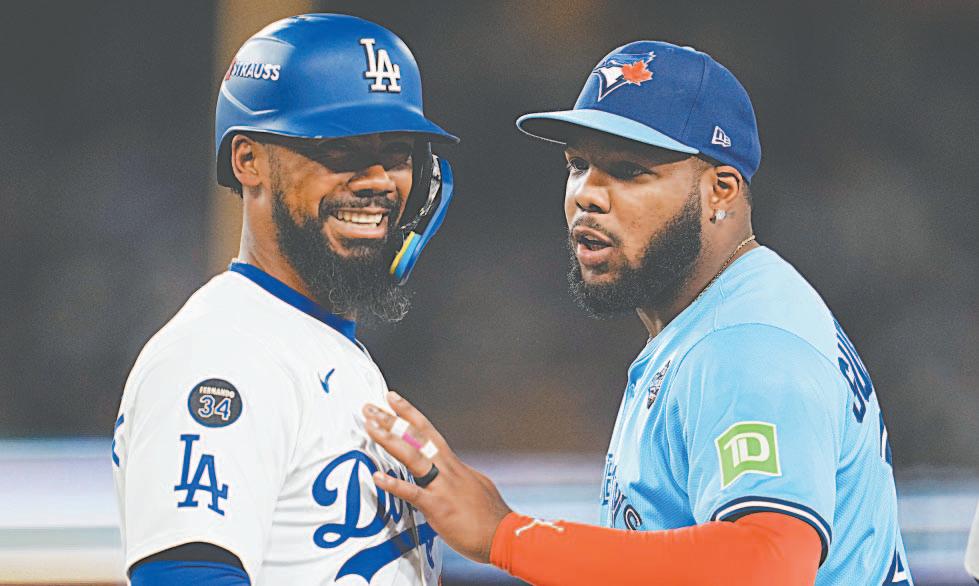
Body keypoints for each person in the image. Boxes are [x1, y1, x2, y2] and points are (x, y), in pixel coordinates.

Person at [362, 41, 912, 585]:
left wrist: (508, 535)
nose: (588, 195)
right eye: (578, 165)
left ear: (721, 191)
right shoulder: (719, 312)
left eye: (628, 170)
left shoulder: (745, 342)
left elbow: (767, 564)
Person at [111, 14, 457, 585]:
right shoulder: (220, 355)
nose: (379, 180)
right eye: (340, 148)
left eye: (397, 153)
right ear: (248, 161)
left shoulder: (324, 348)